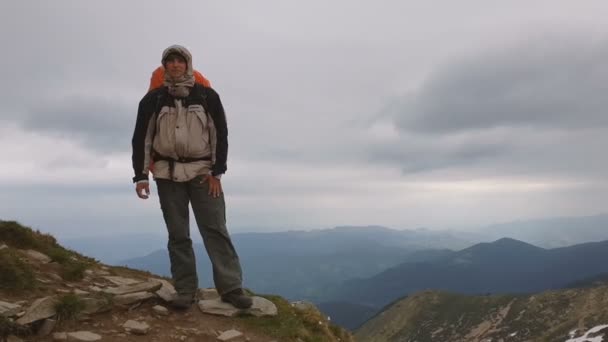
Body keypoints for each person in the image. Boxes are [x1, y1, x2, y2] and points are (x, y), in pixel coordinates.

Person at [131, 44, 252, 310]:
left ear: (188, 65)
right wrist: (140, 176)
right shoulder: (153, 100)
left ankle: (231, 288)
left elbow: (220, 134)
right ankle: (185, 291)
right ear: (164, 67)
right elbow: (142, 140)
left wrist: (217, 172)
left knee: (215, 229)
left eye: (179, 61)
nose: (175, 65)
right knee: (178, 234)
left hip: (202, 174)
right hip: (167, 174)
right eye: (170, 61)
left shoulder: (207, 96)